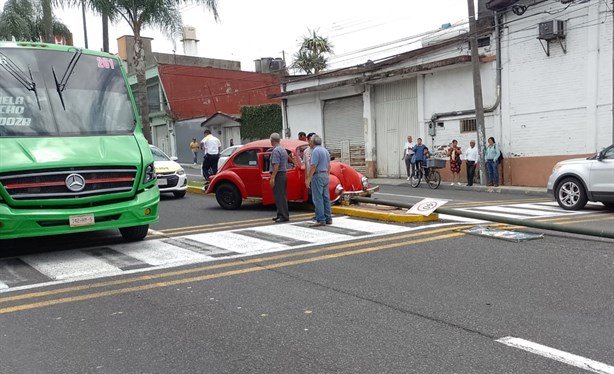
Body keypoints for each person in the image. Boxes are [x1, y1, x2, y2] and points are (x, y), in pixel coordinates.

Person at [306, 134, 332, 227]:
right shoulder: (325, 151)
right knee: (326, 197)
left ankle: (321, 219)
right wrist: (327, 174)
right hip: (325, 174)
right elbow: (329, 165)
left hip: (317, 175)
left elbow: (313, 166)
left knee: (318, 198)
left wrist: (308, 179)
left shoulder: (315, 151)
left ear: (313, 142)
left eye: (310, 141)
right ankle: (328, 217)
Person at [269, 132, 289, 223]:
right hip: (283, 174)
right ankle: (280, 214)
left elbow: (276, 165)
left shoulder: (276, 151)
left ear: (272, 141)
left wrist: (272, 177)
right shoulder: (283, 149)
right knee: (280, 195)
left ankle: (283, 215)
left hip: (279, 174)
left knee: (280, 196)